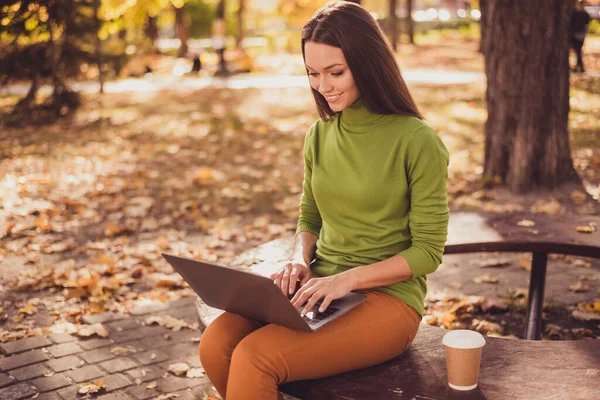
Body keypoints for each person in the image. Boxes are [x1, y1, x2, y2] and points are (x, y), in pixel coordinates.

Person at [199, 2, 449, 399]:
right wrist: (300, 260)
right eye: (313, 74)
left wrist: (346, 279)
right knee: (216, 342)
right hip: (320, 289)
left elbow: (428, 252)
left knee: (255, 357)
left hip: (388, 302)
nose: (323, 86)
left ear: (368, 64)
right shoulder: (319, 135)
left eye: (336, 72)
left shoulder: (417, 140)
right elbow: (309, 215)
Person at [570, 1, 591, 73]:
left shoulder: (575, 13)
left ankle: (579, 67)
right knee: (578, 51)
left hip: (576, 34)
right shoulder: (584, 13)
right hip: (581, 34)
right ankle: (580, 67)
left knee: (578, 51)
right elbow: (587, 21)